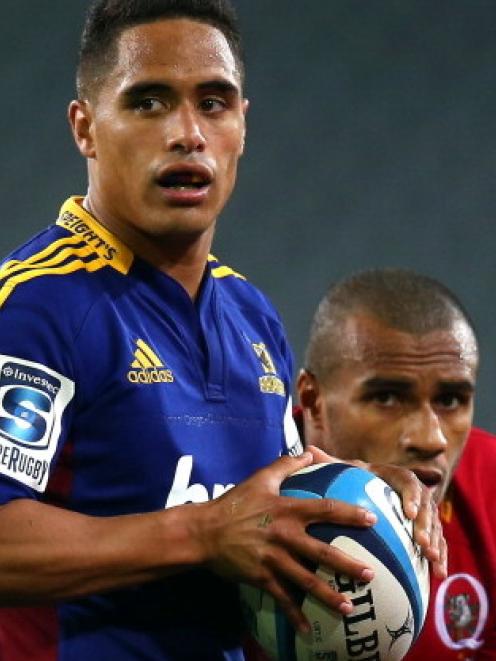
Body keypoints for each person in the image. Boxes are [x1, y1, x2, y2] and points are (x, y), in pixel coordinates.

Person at [0, 3, 443, 660]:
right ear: (86, 127)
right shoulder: (37, 306)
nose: (187, 133)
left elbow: (263, 510)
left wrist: (360, 496)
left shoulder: (250, 313)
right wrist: (204, 533)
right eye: (148, 102)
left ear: (242, 124)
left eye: (213, 103)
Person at [297, 267, 496, 660]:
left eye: (451, 400)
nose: (430, 439)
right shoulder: (242, 488)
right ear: (313, 403)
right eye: (386, 398)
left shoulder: (490, 485)